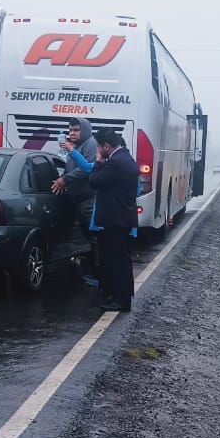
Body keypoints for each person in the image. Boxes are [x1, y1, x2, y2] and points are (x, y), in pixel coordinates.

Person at [89, 130, 139, 313]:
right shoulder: (126, 158)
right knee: (119, 259)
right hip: (122, 218)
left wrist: (98, 162)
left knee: (117, 260)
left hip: (116, 219)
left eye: (99, 147)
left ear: (106, 146)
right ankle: (119, 295)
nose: (98, 150)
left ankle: (122, 300)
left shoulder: (116, 163)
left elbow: (94, 181)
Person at [51, 118, 100, 285]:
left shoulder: (90, 145)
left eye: (76, 130)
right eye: (70, 130)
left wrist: (65, 180)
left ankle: (100, 276)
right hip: (78, 200)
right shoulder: (75, 147)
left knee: (94, 239)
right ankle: (93, 273)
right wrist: (61, 177)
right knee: (88, 239)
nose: (72, 133)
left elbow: (87, 169)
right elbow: (69, 168)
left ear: (84, 130)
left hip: (88, 200)